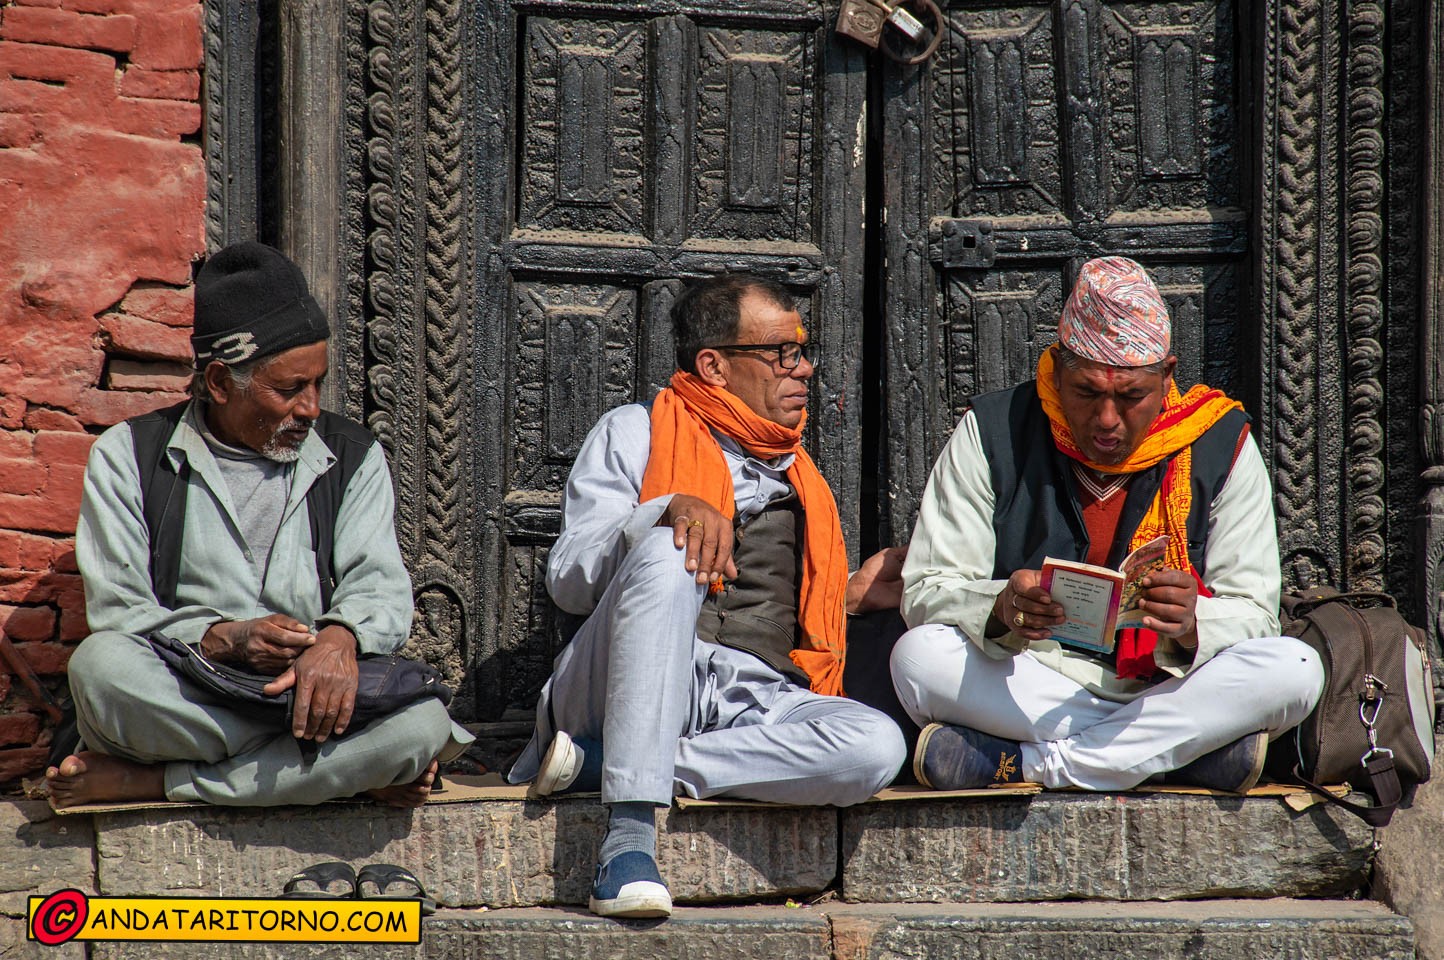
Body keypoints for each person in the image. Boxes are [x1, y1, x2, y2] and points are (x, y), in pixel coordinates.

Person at [508, 273, 906, 919]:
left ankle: (606, 766)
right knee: (673, 548)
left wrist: (849, 598)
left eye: (802, 352)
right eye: (782, 353)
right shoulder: (635, 431)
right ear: (714, 364)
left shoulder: (801, 471)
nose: (802, 369)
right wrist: (665, 510)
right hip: (618, 683)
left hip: (750, 696)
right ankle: (629, 840)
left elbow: (779, 599)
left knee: (874, 748)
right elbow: (571, 578)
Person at [47, 241, 471, 810]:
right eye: (291, 389)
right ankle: (333, 768)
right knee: (100, 672)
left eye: (318, 383)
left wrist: (338, 642)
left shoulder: (353, 455)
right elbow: (121, 612)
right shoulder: (129, 455)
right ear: (221, 383)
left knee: (419, 725)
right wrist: (225, 639)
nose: (312, 408)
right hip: (193, 687)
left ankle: (155, 782)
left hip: (315, 691)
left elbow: (379, 586)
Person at [891, 256, 1323, 795]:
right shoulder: (993, 431)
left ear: (1166, 376)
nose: (1107, 420)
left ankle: (1030, 765)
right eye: (1088, 393)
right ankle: (1170, 759)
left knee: (1296, 668)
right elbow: (928, 589)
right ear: (1058, 367)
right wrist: (1000, 606)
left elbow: (1256, 614)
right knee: (918, 657)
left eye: (1130, 396)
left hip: (1167, 687)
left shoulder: (1221, 441)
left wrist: (1193, 624)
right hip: (1033, 677)